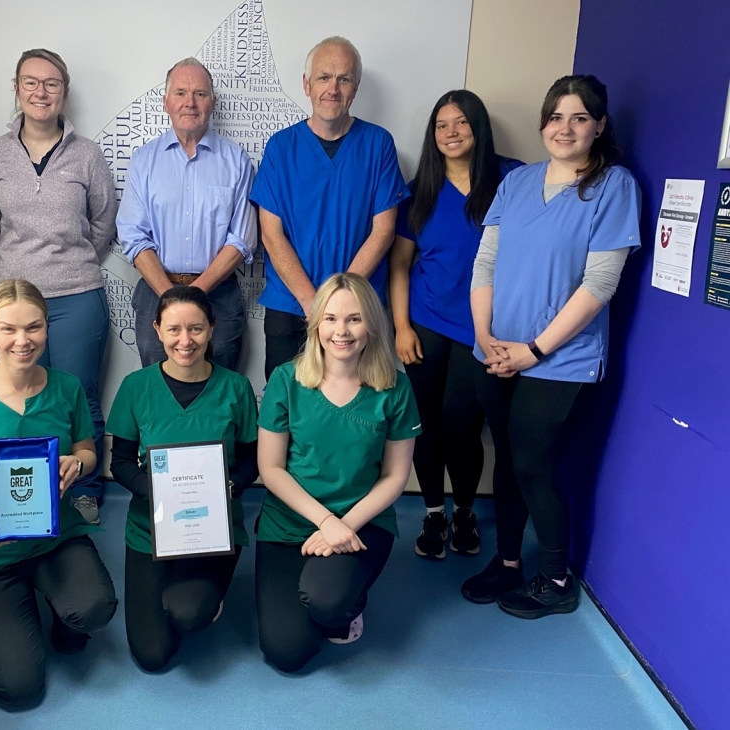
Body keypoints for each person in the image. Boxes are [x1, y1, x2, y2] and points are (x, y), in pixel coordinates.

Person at [461, 75, 641, 619]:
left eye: (579, 117)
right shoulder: (516, 183)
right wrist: (485, 337)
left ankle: (556, 579)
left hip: (561, 360)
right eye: (556, 117)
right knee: (510, 460)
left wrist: (533, 351)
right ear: (543, 125)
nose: (565, 128)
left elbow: (599, 285)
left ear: (599, 125)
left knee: (535, 463)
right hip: (495, 353)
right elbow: (485, 263)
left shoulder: (614, 187)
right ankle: (510, 562)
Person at [0, 279, 118, 708]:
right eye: (9, 328)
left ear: (47, 328)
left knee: (94, 609)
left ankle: (59, 611)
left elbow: (87, 450)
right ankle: (20, 608)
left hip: (56, 537)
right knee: (19, 691)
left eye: (34, 327)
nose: (23, 340)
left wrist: (78, 463)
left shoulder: (67, 387)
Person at [0, 48, 117, 526]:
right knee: (20, 395)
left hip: (77, 294)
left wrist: (66, 257)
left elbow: (102, 222)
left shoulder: (88, 154)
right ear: (16, 88)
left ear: (64, 91)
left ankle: (85, 489)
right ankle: (27, 489)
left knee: (78, 395)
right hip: (13, 299)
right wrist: (22, 261)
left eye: (51, 83)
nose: (41, 92)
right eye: (31, 82)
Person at [255, 273, 420, 672]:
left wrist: (342, 526)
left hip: (360, 526)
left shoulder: (394, 388)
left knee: (329, 606)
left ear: (372, 325)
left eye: (354, 319)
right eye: (330, 319)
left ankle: (342, 602)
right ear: (315, 324)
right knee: (286, 652)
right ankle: (317, 594)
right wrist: (325, 521)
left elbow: (395, 477)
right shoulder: (286, 380)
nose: (341, 331)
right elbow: (271, 468)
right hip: (289, 523)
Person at [388, 90, 523, 561]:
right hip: (426, 323)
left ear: (478, 127)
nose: (451, 133)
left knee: (464, 427)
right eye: (441, 125)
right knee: (426, 426)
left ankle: (464, 508)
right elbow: (401, 265)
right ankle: (433, 512)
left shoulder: (512, 179)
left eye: (461, 122)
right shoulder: (418, 189)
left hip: (485, 329)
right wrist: (401, 327)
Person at [107, 285, 258, 671]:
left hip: (214, 529)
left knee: (188, 614)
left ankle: (207, 596)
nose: (185, 340)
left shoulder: (236, 388)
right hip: (150, 530)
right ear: (157, 329)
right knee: (153, 656)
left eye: (196, 328)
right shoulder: (136, 388)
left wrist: (230, 487)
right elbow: (120, 462)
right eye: (174, 329)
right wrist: (157, 494)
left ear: (212, 329)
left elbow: (252, 459)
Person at [250, 37, 409, 379]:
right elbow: (271, 235)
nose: (332, 89)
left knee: (354, 413)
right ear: (306, 84)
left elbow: (384, 231)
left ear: (355, 87)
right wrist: (314, 303)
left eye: (343, 79)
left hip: (358, 313)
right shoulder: (281, 148)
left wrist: (341, 305)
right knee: (286, 410)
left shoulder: (378, 144)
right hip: (291, 306)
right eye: (324, 77)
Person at [117, 57, 257, 372]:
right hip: (156, 293)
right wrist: (171, 297)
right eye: (180, 93)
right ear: (166, 102)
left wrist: (195, 293)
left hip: (219, 295)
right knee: (159, 393)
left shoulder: (236, 161)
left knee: (221, 392)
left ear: (213, 102)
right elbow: (133, 235)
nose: (189, 103)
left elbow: (243, 239)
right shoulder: (144, 161)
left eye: (200, 94)